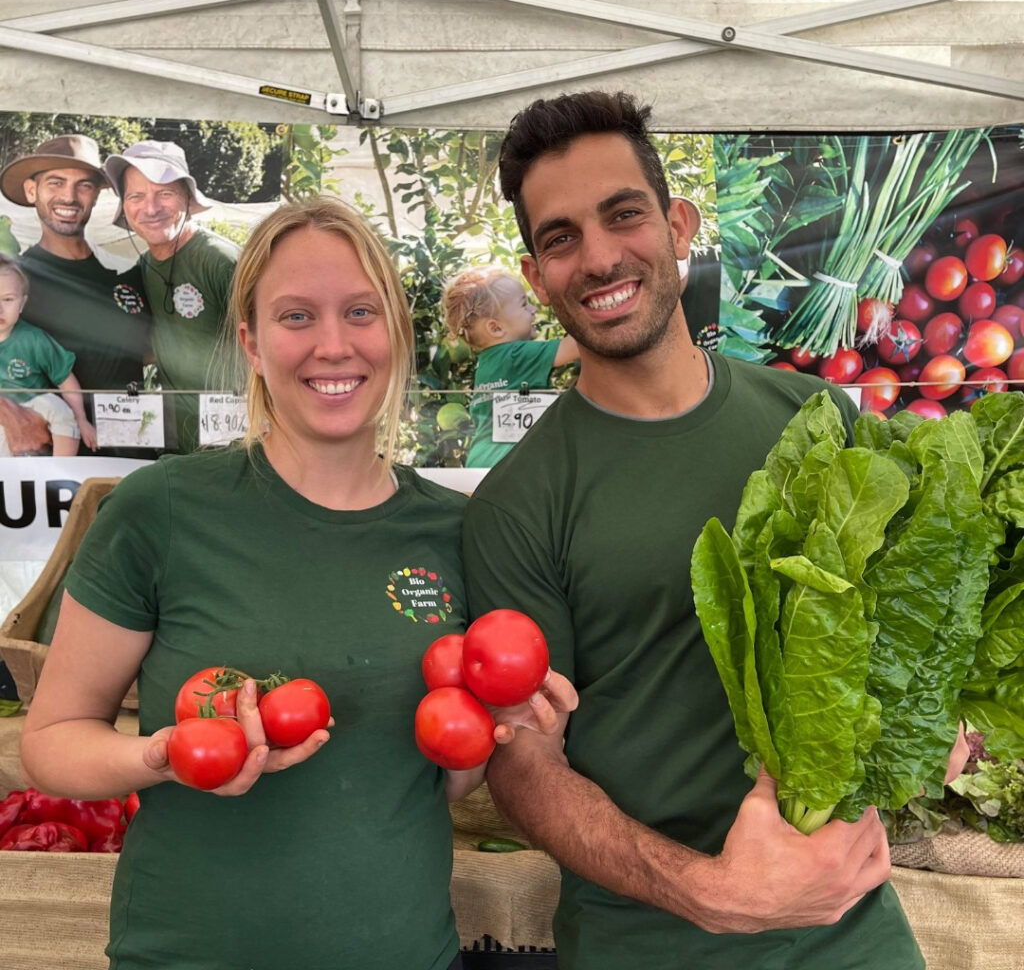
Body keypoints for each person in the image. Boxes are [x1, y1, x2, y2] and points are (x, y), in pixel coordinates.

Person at [19, 196, 576, 970]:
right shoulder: (163, 510)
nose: (333, 346)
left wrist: (511, 727)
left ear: (396, 332)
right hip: (187, 953)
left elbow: (435, 786)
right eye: (295, 317)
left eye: (359, 312)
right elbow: (49, 745)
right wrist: (165, 755)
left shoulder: (458, 532)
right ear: (249, 340)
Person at [461, 91, 931, 969]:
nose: (599, 258)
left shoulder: (818, 420)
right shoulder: (515, 505)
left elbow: (907, 624)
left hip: (852, 931)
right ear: (535, 278)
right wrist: (708, 893)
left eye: (624, 215)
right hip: (646, 945)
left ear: (678, 225)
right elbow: (523, 765)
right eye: (560, 238)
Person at [0, 133, 150, 453]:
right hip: (53, 464)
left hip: (135, 453)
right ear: (31, 191)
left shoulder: (127, 275)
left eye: (84, 185)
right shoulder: (13, 283)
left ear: (96, 195)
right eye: (55, 182)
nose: (69, 197)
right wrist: (10, 415)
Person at [103, 140, 239, 453]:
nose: (150, 208)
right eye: (136, 196)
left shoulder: (220, 261)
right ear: (125, 206)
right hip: (179, 438)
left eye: (164, 193)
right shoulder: (146, 265)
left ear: (188, 200)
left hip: (232, 440)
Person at [441, 265, 578, 467]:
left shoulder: (488, 362)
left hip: (482, 463)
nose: (534, 309)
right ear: (495, 328)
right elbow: (576, 346)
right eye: (524, 304)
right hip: (511, 466)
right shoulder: (516, 356)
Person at [0, 254, 96, 455]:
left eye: (8, 299)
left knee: (57, 407)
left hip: (35, 405)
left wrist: (81, 418)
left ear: (22, 304)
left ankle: (60, 470)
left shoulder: (33, 339)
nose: (0, 309)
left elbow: (66, 380)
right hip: (4, 415)